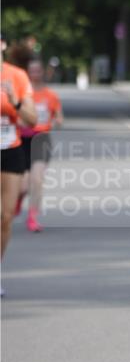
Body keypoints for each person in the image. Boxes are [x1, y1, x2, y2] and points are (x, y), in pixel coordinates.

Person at [1, 42, 37, 291]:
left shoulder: (16, 76)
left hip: (9, 150)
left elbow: (32, 120)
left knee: (5, 217)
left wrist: (15, 102)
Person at [16, 58, 63, 232]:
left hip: (41, 139)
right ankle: (18, 199)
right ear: (27, 73)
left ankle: (32, 217)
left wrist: (56, 121)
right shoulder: (21, 94)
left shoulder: (50, 95)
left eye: (37, 71)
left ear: (42, 72)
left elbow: (59, 117)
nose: (35, 74)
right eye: (32, 71)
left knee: (37, 179)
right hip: (22, 140)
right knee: (22, 185)